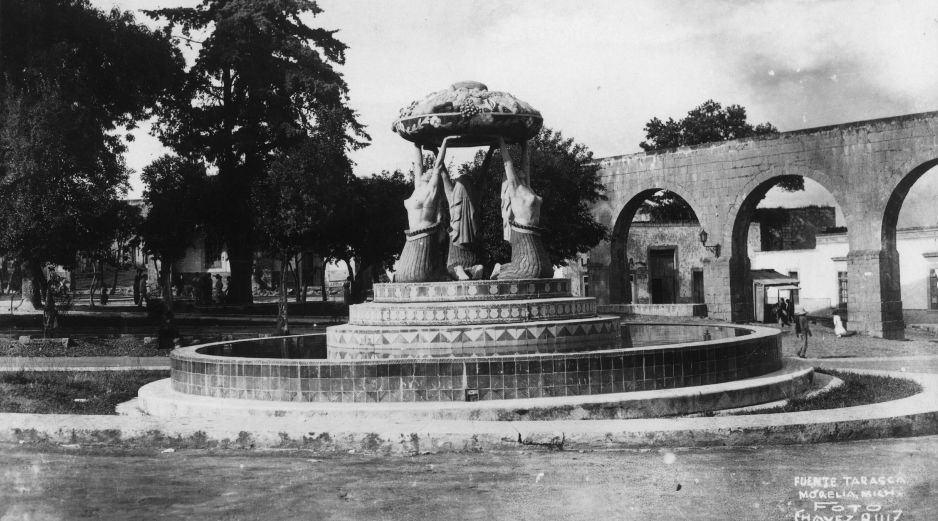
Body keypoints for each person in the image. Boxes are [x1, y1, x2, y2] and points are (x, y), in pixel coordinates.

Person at [493, 138, 553, 280]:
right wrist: (501, 140)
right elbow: (508, 163)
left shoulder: (527, 187)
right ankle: (500, 269)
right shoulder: (515, 189)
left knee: (547, 271)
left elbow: (526, 163)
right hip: (523, 234)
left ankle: (502, 267)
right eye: (517, 171)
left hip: (535, 234)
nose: (520, 170)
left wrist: (525, 143)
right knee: (532, 271)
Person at [395, 138, 454, 282]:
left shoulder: (430, 191)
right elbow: (418, 165)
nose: (427, 171)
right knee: (406, 275)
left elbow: (438, 165)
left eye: (430, 172)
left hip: (424, 242)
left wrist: (445, 142)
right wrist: (416, 143)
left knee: (415, 275)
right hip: (411, 241)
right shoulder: (418, 189)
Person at [440, 147, 493, 280]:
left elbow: (444, 173)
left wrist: (437, 152)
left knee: (452, 268)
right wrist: (491, 150)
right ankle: (476, 269)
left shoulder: (452, 197)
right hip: (475, 243)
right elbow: (483, 173)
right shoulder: (475, 196)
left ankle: (459, 270)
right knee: (478, 265)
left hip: (455, 243)